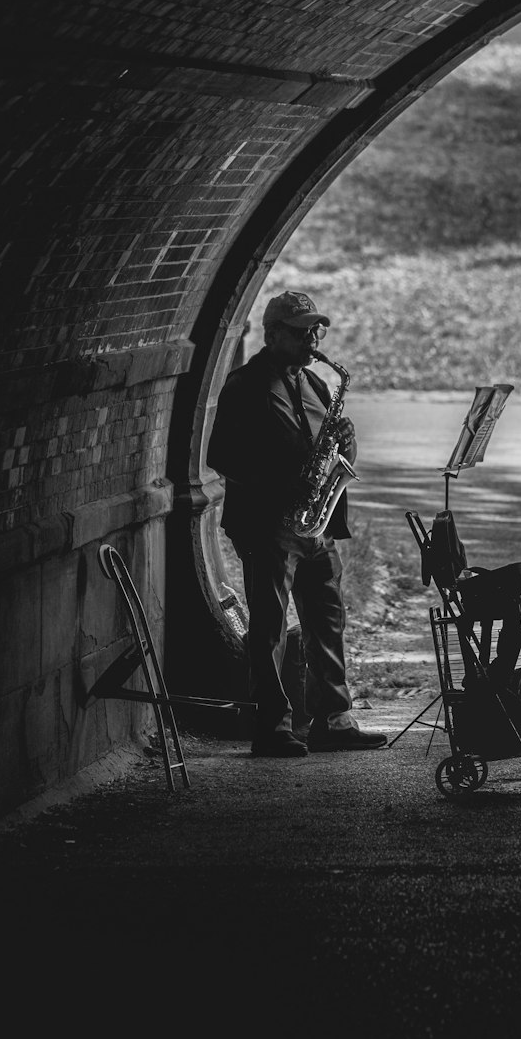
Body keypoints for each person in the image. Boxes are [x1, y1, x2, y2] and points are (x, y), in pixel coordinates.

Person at [206, 291, 387, 756]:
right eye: (302, 331)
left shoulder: (317, 385)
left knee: (327, 621)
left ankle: (333, 720)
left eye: (316, 331)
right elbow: (222, 456)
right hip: (269, 524)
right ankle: (272, 728)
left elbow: (330, 453)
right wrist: (280, 486)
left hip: (315, 524)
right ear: (273, 335)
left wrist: (346, 445)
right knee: (268, 629)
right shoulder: (244, 385)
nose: (313, 339)